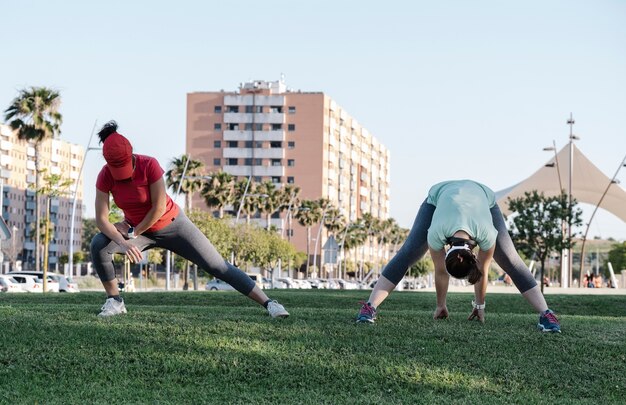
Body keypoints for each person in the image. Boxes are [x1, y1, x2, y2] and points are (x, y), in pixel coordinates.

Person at [90, 121, 289, 318]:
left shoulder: (149, 165)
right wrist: (123, 242)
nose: (121, 175)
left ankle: (270, 303)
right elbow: (102, 219)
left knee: (217, 266)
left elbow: (158, 208)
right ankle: (115, 301)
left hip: (173, 225)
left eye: (124, 167)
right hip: (138, 231)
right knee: (99, 243)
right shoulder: (105, 175)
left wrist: (134, 232)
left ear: (131, 155)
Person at [356, 179, 561, 333]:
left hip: (484, 200)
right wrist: (440, 306)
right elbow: (441, 272)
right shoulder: (435, 233)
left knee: (510, 259)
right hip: (438, 198)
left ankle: (547, 314)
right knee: (408, 252)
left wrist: (479, 306)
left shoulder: (487, 234)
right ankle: (370, 307)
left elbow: (482, 270)